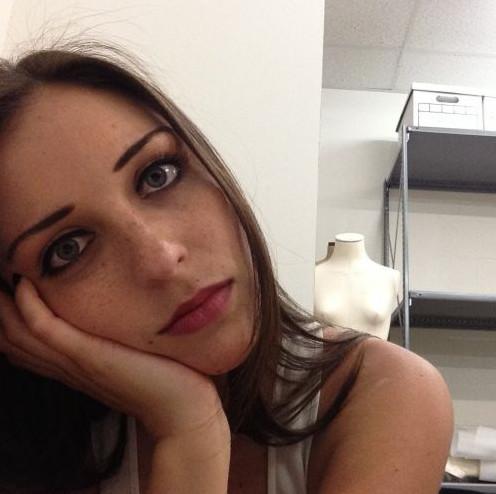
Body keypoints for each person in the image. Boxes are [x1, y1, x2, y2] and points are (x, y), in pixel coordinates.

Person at [0, 40, 454, 494]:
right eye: (68, 249)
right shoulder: (37, 449)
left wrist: (189, 433)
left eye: (158, 175)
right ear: (15, 309)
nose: (162, 258)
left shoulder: (383, 389)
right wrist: (191, 430)